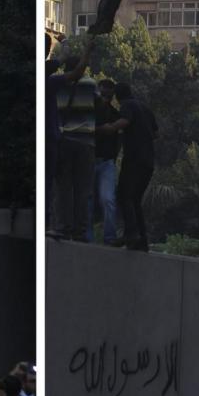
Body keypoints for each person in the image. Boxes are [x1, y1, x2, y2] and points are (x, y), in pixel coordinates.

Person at [95, 82, 159, 252]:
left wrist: (104, 128)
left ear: (117, 96)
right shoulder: (145, 108)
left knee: (124, 195)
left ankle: (130, 233)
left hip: (134, 159)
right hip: (148, 160)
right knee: (135, 200)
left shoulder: (127, 105)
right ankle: (141, 240)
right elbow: (156, 133)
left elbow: (123, 122)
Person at [46, 37, 95, 239]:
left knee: (63, 187)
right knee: (83, 189)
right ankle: (81, 230)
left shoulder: (57, 85)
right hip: (86, 142)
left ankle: (62, 226)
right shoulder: (91, 85)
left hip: (64, 140)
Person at [93, 78, 121, 245]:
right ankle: (86, 235)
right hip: (91, 158)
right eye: (103, 94)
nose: (105, 98)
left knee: (108, 199)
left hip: (106, 161)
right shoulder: (90, 111)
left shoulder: (115, 114)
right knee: (87, 199)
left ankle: (109, 237)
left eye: (108, 95)